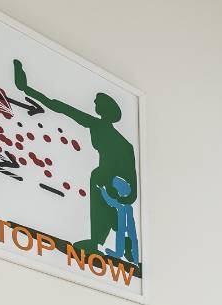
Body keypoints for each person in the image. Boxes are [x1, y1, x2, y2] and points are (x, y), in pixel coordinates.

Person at [13, 58, 138, 265]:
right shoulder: (121, 141)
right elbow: (60, 107)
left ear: (104, 109)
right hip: (110, 177)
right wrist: (27, 89)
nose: (94, 104)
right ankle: (119, 243)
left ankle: (102, 242)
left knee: (103, 206)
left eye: (97, 103)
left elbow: (61, 107)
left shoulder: (106, 132)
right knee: (111, 208)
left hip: (106, 176)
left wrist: (131, 194)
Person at [97, 176, 138, 264]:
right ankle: (128, 255)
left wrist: (103, 190)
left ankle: (129, 255)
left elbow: (111, 201)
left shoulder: (123, 203)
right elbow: (111, 202)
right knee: (127, 238)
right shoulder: (125, 203)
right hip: (125, 225)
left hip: (125, 225)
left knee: (125, 237)